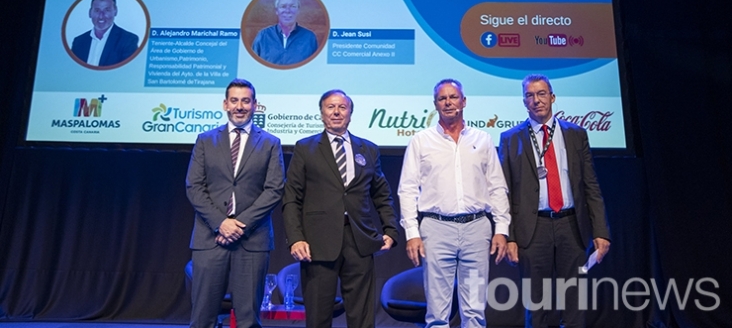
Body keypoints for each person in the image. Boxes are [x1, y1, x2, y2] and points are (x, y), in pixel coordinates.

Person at [498, 74, 611, 328]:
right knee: (535, 306)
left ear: (552, 97)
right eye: (529, 95)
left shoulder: (576, 134)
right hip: (532, 229)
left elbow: (591, 186)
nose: (536, 100)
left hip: (572, 226)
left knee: (574, 302)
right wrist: (510, 237)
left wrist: (601, 231)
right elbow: (503, 194)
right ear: (524, 101)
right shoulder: (510, 139)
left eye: (541, 94)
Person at [397, 78, 510, 328]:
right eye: (442, 98)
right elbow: (407, 190)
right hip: (436, 229)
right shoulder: (421, 141)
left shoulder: (482, 139)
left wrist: (501, 229)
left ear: (464, 101)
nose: (448, 102)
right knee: (438, 314)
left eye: (453, 97)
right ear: (435, 104)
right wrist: (412, 233)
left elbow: (497, 187)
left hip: (477, 227)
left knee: (475, 311)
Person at [282, 89, 399, 328]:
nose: (336, 112)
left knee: (362, 318)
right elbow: (291, 197)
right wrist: (296, 238)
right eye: (330, 107)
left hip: (360, 240)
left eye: (342, 107)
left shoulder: (368, 149)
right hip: (318, 243)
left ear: (350, 114)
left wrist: (391, 230)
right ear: (322, 113)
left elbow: (382, 194)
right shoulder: (305, 148)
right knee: (318, 317)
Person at [185, 78, 285, 328]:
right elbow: (194, 187)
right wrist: (221, 224)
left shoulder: (271, 143)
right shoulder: (206, 140)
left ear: (255, 105)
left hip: (252, 240)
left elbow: (274, 189)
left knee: (249, 320)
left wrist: (238, 225)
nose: (240, 106)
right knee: (202, 319)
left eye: (246, 101)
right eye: (234, 100)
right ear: (225, 104)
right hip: (210, 239)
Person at [71, 0, 139, 67]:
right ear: (90, 12)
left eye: (107, 10)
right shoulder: (78, 42)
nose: (101, 16)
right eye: (97, 10)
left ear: (115, 11)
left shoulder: (128, 40)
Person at [251, 0, 318, 66]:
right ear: (276, 10)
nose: (287, 10)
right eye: (283, 6)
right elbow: (252, 66)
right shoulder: (263, 36)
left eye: (292, 6)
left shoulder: (309, 38)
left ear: (298, 10)